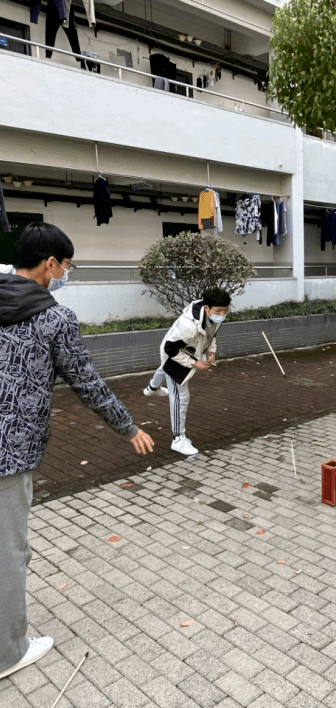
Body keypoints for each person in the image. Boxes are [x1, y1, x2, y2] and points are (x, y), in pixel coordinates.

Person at [0, 223, 154, 681]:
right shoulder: (54, 318)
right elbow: (87, 384)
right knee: (9, 553)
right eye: (65, 266)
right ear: (49, 264)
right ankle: (9, 652)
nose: (65, 273)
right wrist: (128, 429)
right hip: (8, 453)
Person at [144, 287, 230, 456]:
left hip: (187, 350)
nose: (222, 314)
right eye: (218, 310)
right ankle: (178, 439)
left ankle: (152, 389)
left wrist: (210, 351)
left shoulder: (214, 316)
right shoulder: (188, 326)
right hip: (174, 353)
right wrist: (194, 363)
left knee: (165, 371)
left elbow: (211, 335)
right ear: (207, 308)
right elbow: (170, 349)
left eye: (225, 310)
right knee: (180, 397)